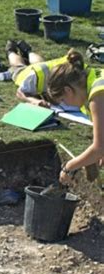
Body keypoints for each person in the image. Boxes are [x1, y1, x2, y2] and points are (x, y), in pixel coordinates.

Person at [46, 50, 104, 184]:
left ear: (68, 90)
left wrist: (69, 167)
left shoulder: (97, 96)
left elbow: (99, 148)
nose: (64, 104)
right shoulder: (92, 78)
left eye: (62, 100)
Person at [5, 38, 69, 107]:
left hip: (45, 68)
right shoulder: (31, 79)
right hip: (30, 75)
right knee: (19, 68)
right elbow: (20, 92)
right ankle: (11, 51)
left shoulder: (71, 68)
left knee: (40, 63)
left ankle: (27, 51)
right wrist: (35, 101)